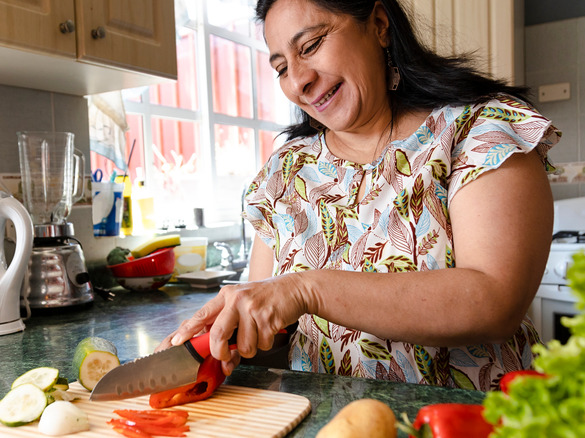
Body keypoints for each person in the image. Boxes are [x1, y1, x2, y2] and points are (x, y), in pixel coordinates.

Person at [159, 0, 561, 391]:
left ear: (380, 24)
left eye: (311, 46)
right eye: (281, 67)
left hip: (470, 421)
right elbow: (271, 328)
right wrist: (215, 343)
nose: (298, 81)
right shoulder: (285, 173)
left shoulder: (478, 131)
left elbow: (495, 302)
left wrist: (305, 289)